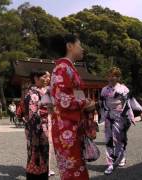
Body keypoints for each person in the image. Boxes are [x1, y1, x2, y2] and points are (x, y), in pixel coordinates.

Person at [49, 34, 96, 180]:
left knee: (76, 168)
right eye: (79, 44)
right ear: (69, 46)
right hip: (66, 128)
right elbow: (63, 99)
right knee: (73, 170)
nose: (82, 48)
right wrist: (86, 103)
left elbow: (70, 96)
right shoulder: (62, 68)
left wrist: (85, 102)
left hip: (71, 126)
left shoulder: (66, 68)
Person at [100, 67, 135, 175]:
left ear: (118, 77)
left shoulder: (123, 89)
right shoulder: (104, 89)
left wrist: (131, 116)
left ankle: (121, 156)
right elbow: (102, 104)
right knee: (108, 140)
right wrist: (102, 116)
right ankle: (110, 163)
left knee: (120, 139)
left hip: (120, 116)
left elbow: (128, 104)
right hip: (108, 116)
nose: (111, 78)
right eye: (109, 75)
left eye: (114, 75)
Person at [24, 70, 50, 179]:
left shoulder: (43, 91)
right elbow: (32, 115)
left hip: (44, 126)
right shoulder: (32, 93)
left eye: (48, 77)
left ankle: (43, 174)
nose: (47, 79)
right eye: (45, 76)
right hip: (35, 129)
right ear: (36, 78)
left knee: (44, 153)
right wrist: (34, 134)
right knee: (34, 154)